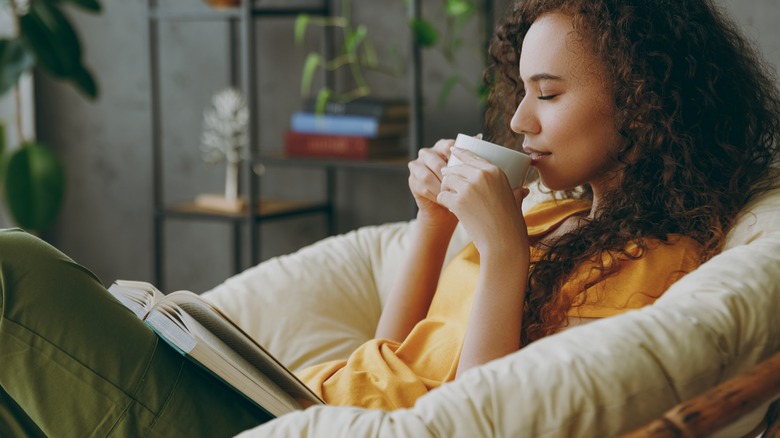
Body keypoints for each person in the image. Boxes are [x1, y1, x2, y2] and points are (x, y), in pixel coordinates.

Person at [1, 0, 778, 436]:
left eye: (547, 93)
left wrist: (501, 254)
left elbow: (485, 418)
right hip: (296, 404)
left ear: (643, 102)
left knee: (15, 272)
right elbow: (391, 349)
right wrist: (434, 224)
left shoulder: (653, 262)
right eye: (521, 92)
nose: (519, 125)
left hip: (286, 428)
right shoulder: (552, 217)